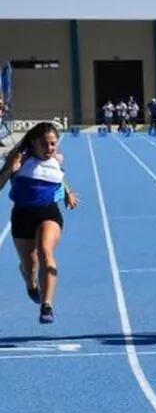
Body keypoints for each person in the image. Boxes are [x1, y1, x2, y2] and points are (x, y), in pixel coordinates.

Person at [0, 123, 80, 323]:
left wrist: (68, 193)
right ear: (34, 143)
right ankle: (30, 283)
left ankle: (47, 305)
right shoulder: (19, 158)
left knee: (46, 251)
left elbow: (58, 176)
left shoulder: (57, 159)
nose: (50, 148)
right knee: (30, 265)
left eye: (53, 144)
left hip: (48, 212)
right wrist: (10, 168)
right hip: (22, 215)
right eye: (46, 144)